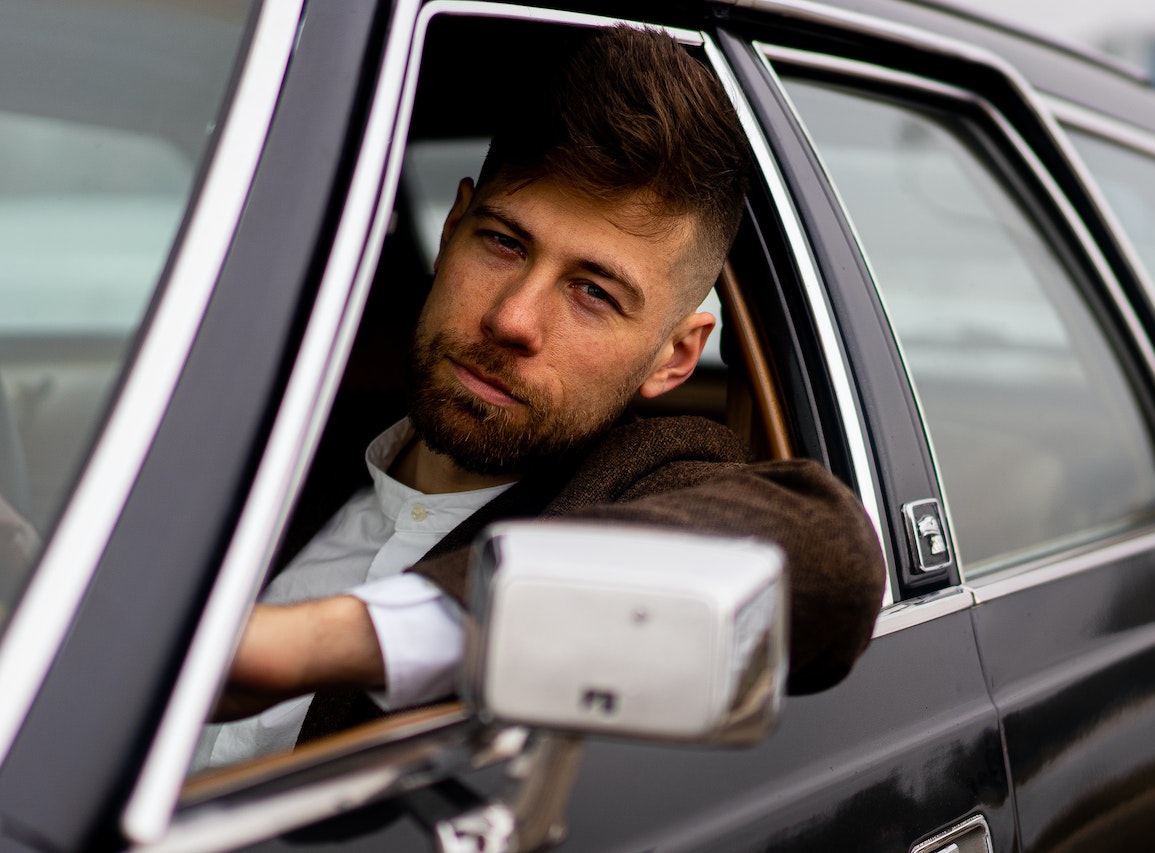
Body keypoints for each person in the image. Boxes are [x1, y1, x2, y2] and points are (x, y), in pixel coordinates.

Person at [195, 25, 884, 770]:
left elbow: (830, 556)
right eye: (504, 243)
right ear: (453, 227)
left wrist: (311, 646)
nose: (511, 319)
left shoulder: (640, 481)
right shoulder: (280, 432)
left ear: (675, 356)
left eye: (593, 292)